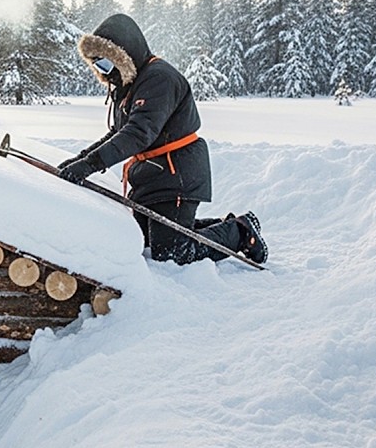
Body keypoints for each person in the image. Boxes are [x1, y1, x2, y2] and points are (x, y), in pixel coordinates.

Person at [57, 13, 267, 266]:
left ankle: (241, 233)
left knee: (172, 254)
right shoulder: (129, 83)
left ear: (123, 55)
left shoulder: (159, 79)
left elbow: (138, 133)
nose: (104, 72)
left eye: (105, 63)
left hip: (176, 172)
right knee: (144, 238)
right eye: (98, 66)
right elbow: (118, 132)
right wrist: (80, 160)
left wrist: (89, 165)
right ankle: (224, 226)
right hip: (151, 174)